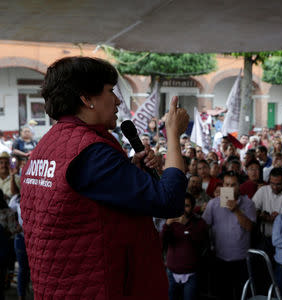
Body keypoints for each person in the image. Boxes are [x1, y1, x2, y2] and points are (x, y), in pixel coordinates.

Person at [20, 57, 189, 299]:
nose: (118, 100)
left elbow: (81, 205)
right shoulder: (90, 152)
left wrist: (130, 171)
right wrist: (172, 134)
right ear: (86, 99)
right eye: (110, 91)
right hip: (101, 287)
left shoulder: (46, 147)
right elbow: (169, 201)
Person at [202, 171, 256, 300]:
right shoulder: (214, 203)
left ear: (239, 186)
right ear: (222, 186)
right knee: (222, 293)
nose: (230, 188)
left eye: (233, 185)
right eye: (227, 184)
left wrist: (236, 210)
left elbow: (249, 228)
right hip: (220, 258)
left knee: (241, 294)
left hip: (241, 259)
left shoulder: (248, 204)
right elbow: (204, 227)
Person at [160, 193, 209, 300]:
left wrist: (186, 229)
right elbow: (161, 242)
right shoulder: (171, 222)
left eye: (186, 206)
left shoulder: (199, 222)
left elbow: (201, 242)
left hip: (191, 274)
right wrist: (167, 225)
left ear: (192, 207)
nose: (183, 209)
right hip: (171, 272)